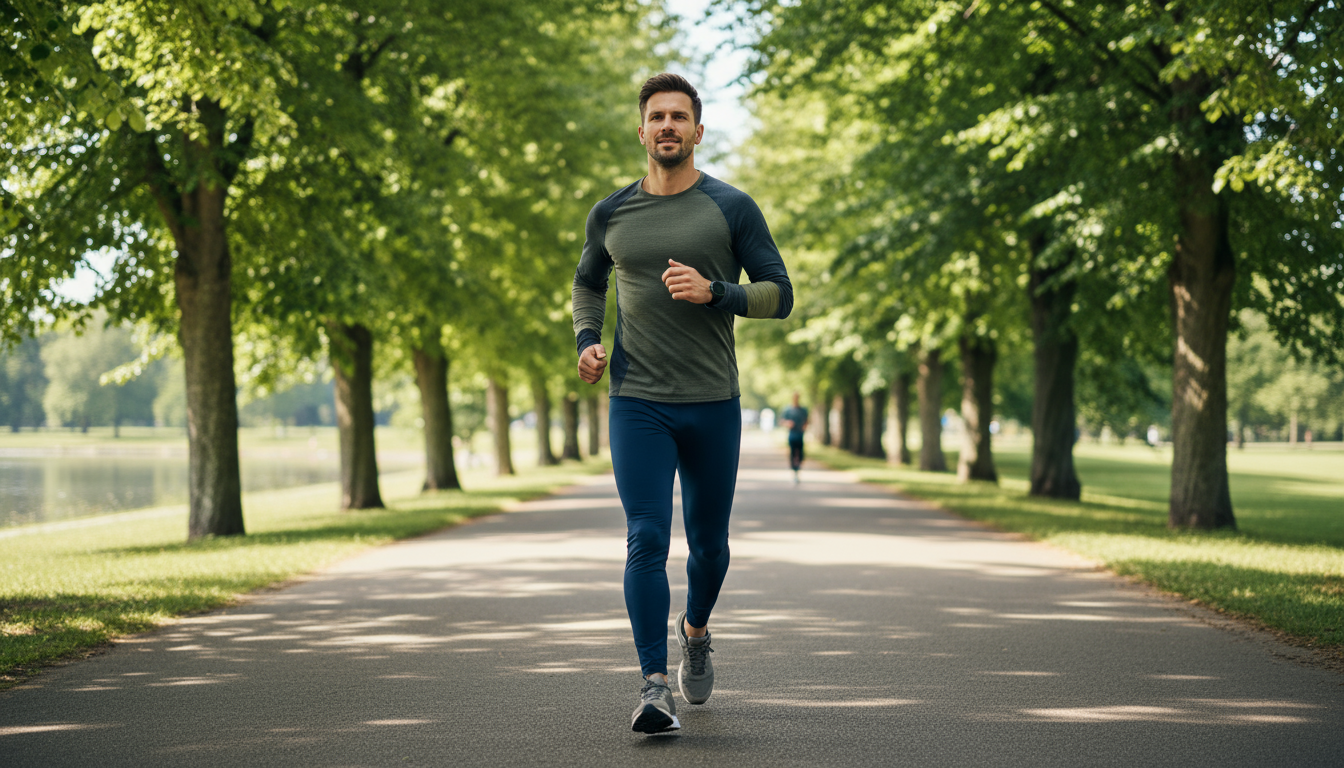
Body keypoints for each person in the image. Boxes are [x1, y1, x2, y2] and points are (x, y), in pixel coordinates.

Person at [572, 73, 793, 734]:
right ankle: (653, 685)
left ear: (697, 130)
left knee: (709, 547)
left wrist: (717, 291)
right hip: (637, 400)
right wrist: (587, 341)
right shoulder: (611, 213)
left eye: (678, 116)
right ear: (641, 131)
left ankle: (694, 631)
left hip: (711, 402)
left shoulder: (731, 207)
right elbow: (587, 283)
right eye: (656, 116)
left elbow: (779, 294)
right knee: (646, 535)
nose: (666, 125)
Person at [780, 392, 809, 484]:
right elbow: (782, 421)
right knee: (792, 453)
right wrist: (787, 423)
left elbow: (807, 420)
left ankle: (798, 468)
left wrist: (805, 426)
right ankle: (794, 471)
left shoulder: (803, 410)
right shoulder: (788, 410)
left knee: (800, 453)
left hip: (800, 434)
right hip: (792, 435)